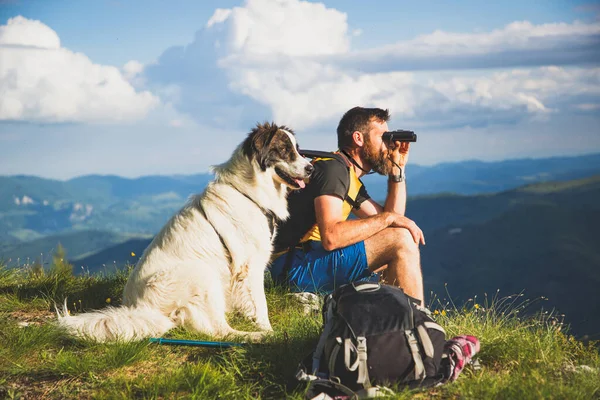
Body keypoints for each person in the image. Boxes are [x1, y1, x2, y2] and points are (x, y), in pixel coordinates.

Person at [270, 106, 426, 305]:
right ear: (358, 138)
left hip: (304, 261)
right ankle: (417, 322)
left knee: (398, 236)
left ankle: (395, 322)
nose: (388, 145)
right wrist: (388, 218)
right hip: (293, 267)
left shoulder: (347, 175)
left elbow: (394, 222)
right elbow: (332, 237)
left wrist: (398, 169)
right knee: (401, 240)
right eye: (383, 137)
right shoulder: (333, 170)